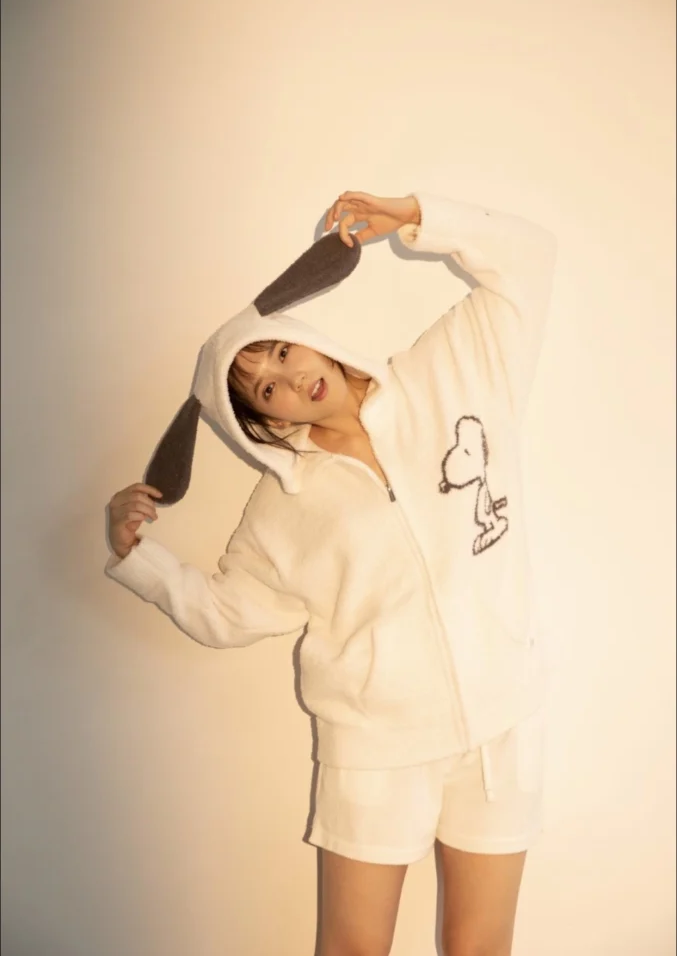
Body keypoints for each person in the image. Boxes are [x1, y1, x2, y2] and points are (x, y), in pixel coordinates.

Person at [106, 190, 558, 956]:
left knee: (480, 945)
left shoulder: (449, 372)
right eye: (264, 389)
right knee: (351, 948)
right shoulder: (281, 509)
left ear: (305, 339)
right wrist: (137, 558)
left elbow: (529, 256)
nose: (287, 380)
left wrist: (415, 215)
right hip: (375, 749)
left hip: (501, 722)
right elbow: (224, 613)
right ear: (268, 423)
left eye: (281, 354)